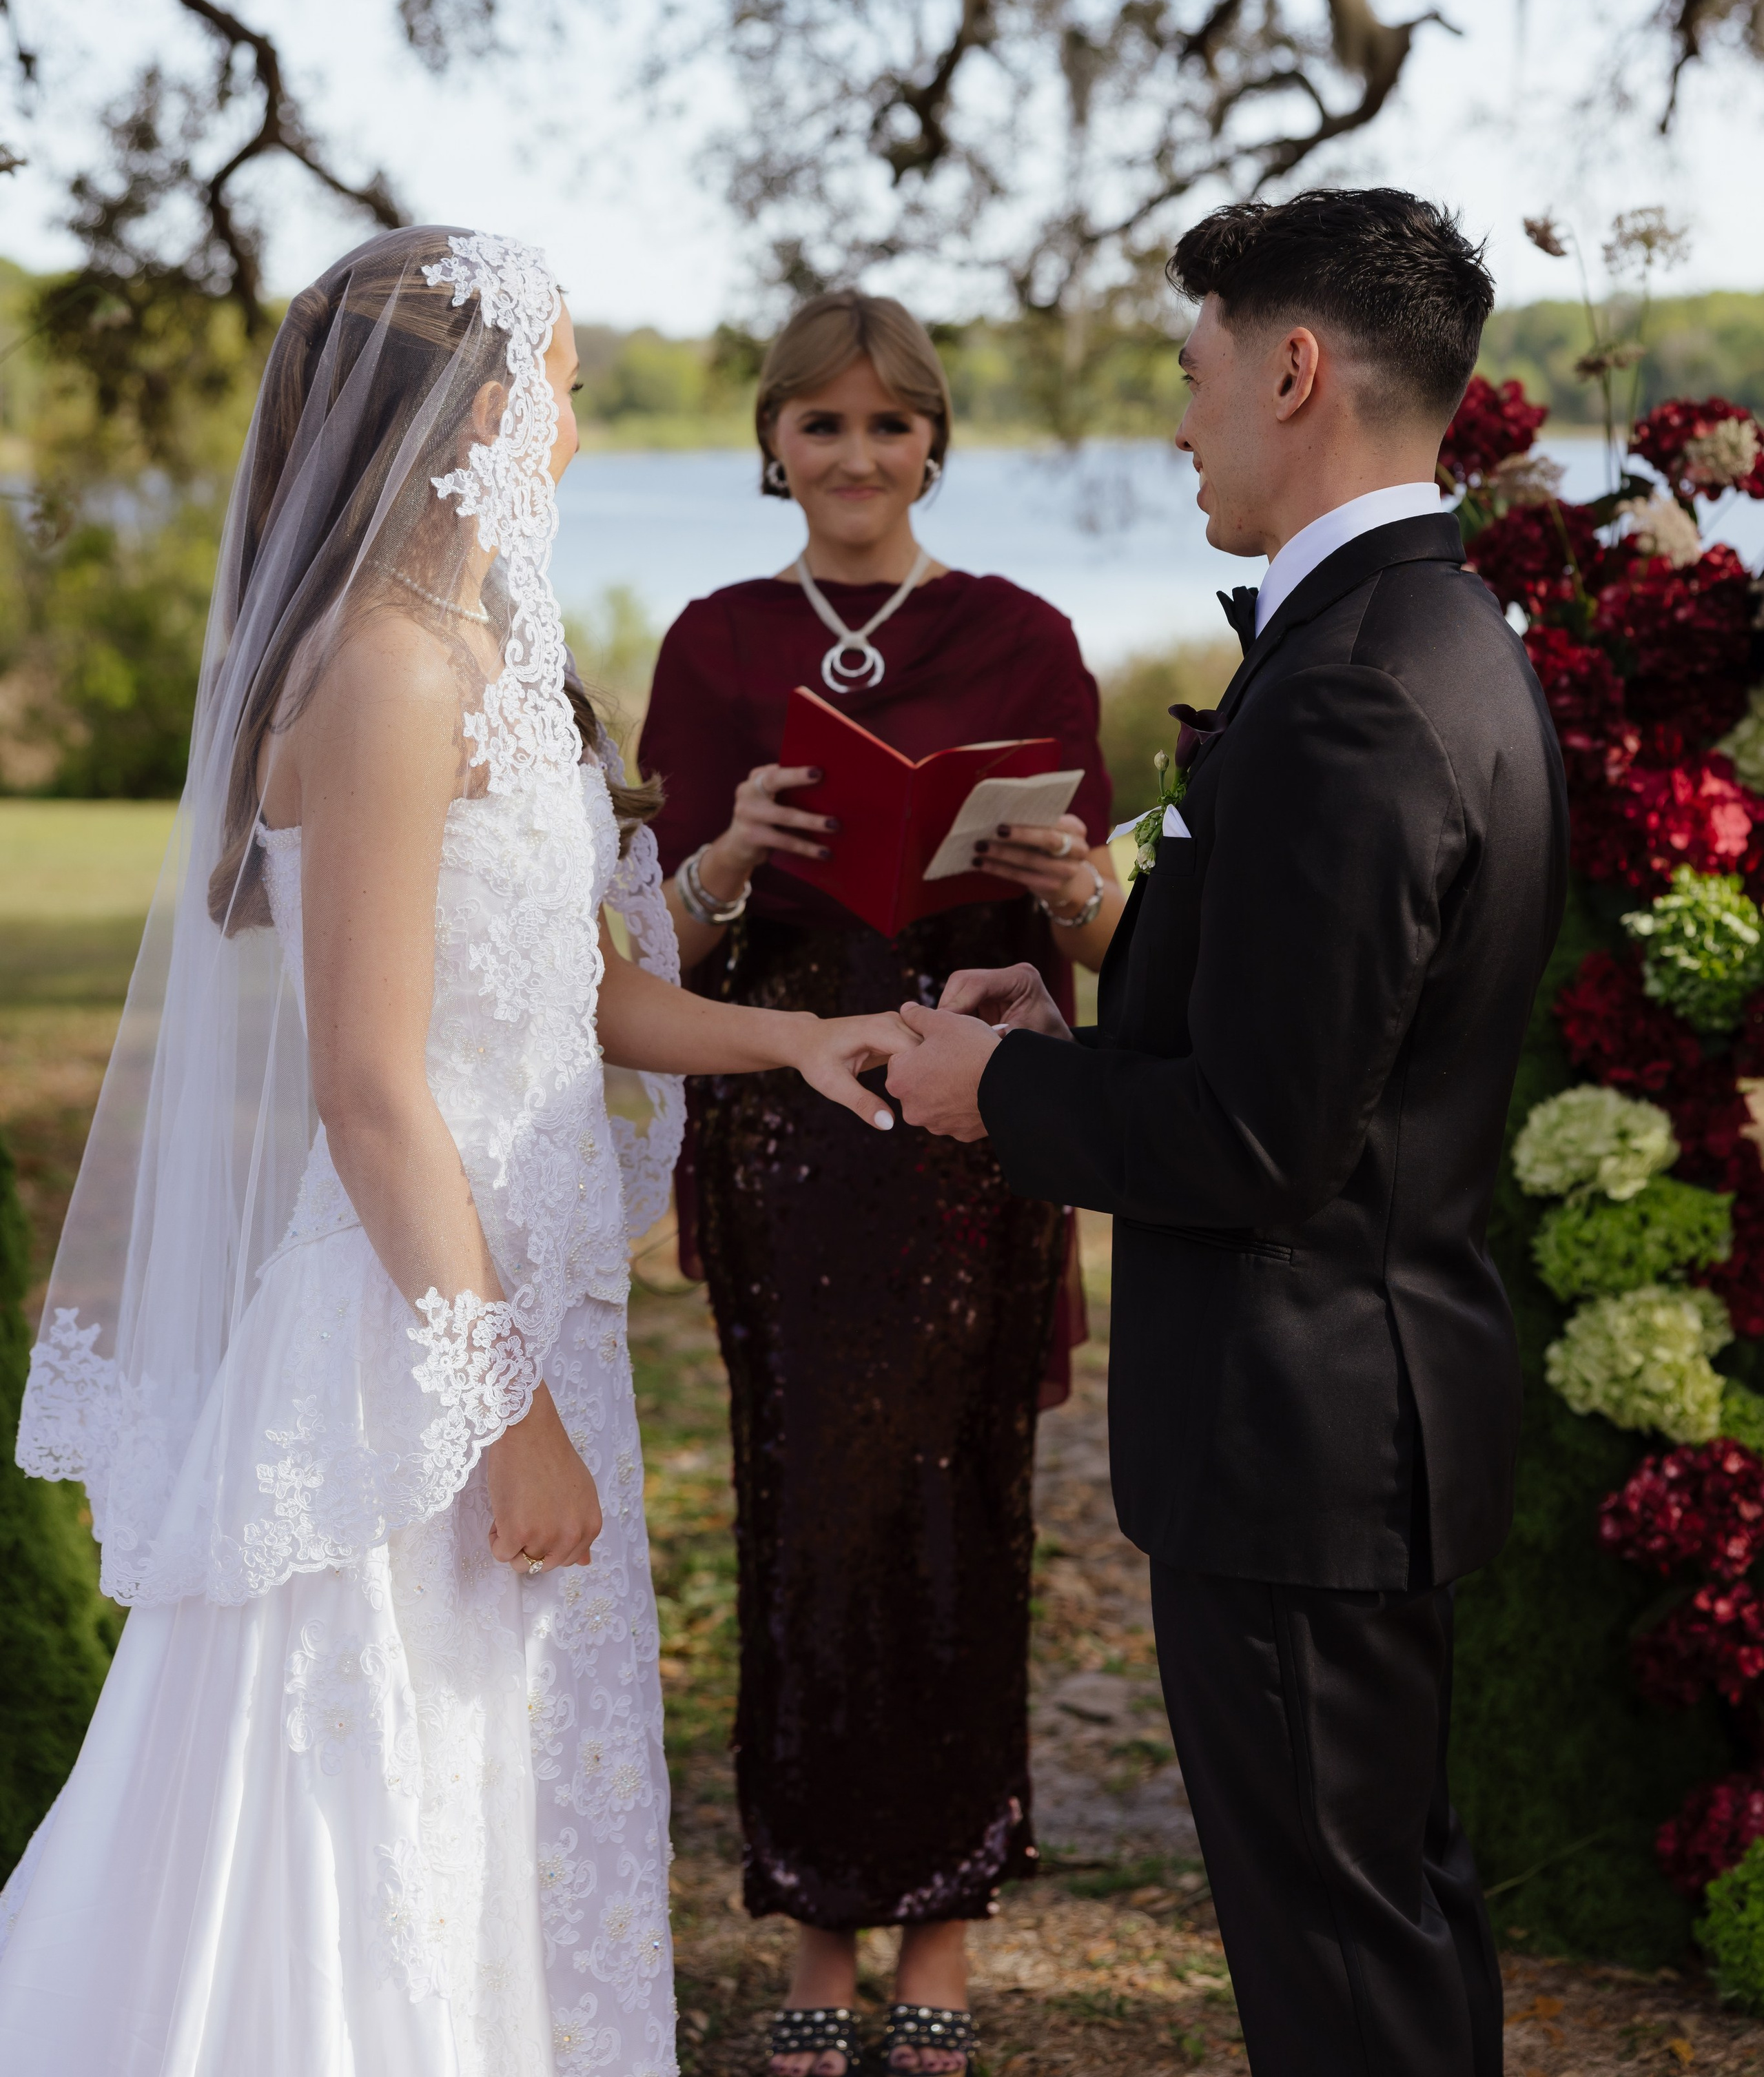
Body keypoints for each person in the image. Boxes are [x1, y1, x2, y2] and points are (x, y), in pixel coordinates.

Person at [0, 228, 912, 2077]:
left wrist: (797, 1039)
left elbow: (573, 995)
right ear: (489, 408)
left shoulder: (486, 655)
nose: (575, 427)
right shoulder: (385, 673)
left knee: (523, 1805)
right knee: (390, 1814)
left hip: (519, 1317)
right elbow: (367, 1087)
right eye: (567, 387)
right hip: (412, 1363)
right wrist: (507, 1413)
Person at [885, 190, 1569, 2077]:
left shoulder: (1355, 690)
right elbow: (1320, 1033)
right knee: (1380, 1912)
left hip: (1304, 1426)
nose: (1179, 425)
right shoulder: (1424, 633)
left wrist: (993, 1091)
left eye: (1192, 379)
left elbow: (1269, 1140)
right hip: (1358, 1404)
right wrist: (1080, 1006)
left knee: (1340, 1953)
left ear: (1293, 370)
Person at [636, 289, 1123, 2077]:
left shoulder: (1023, 634)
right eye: (821, 424)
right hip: (785, 1144)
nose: (856, 456)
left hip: (962, 1144)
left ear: (936, 440)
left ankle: (947, 1928)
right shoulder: (712, 642)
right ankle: (814, 1935)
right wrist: (726, 859)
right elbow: (643, 953)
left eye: (890, 424)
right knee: (804, 1515)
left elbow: (1080, 926)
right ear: (773, 443)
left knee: (960, 1507)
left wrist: (1072, 888)